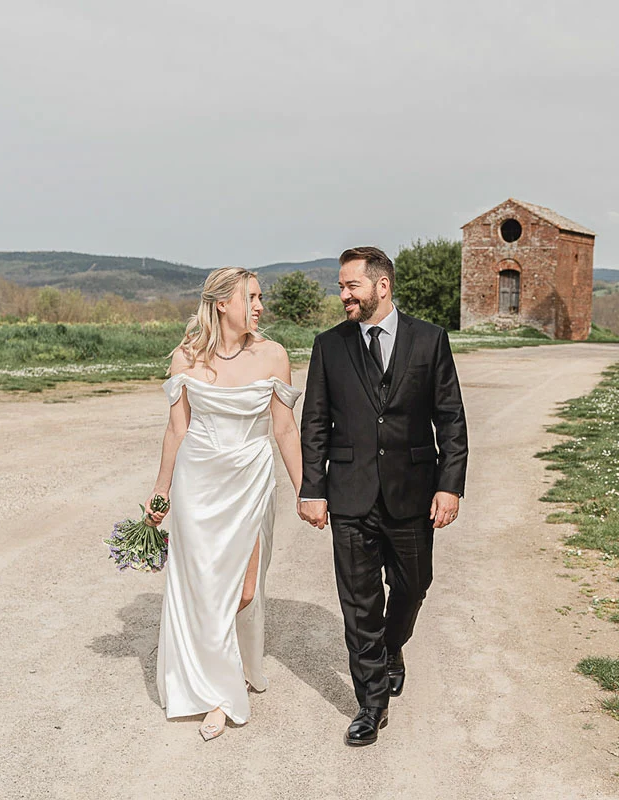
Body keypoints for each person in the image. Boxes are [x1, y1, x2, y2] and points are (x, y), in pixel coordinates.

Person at [298, 246, 468, 747]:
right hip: (349, 495)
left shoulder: (430, 339)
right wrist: (313, 488)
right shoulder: (329, 345)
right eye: (342, 287)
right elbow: (315, 423)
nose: (344, 295)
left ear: (382, 286)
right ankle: (371, 704)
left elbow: (451, 419)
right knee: (359, 604)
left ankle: (393, 647)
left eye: (351, 286)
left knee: (415, 584)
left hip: (413, 493)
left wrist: (449, 484)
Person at [145, 267, 303, 742]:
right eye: (251, 297)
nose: (259, 306)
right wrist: (160, 494)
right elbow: (177, 430)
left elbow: (284, 429)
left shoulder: (273, 356)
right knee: (203, 589)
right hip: (198, 486)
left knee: (244, 590)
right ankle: (215, 694)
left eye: (260, 297)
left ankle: (225, 671)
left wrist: (308, 490)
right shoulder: (185, 358)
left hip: (250, 484)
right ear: (221, 303)